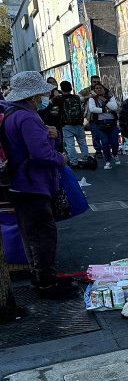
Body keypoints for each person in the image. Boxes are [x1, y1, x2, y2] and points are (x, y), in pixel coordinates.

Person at [0, 72, 78, 299]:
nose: (44, 96)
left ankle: (39, 278)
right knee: (43, 234)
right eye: (41, 93)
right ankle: (46, 283)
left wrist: (47, 134)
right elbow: (40, 153)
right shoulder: (27, 118)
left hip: (17, 183)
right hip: (32, 183)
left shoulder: (11, 114)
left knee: (30, 234)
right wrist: (60, 157)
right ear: (34, 95)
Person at [55, 81, 88, 168]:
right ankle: (86, 159)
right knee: (82, 142)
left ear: (61, 89)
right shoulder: (76, 97)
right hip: (79, 123)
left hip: (66, 124)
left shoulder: (59, 98)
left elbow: (49, 104)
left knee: (70, 144)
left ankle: (74, 162)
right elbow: (84, 100)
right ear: (71, 88)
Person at [87, 82, 120, 169]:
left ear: (104, 89)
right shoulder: (92, 99)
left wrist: (104, 100)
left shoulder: (110, 97)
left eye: (100, 88)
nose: (99, 89)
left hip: (112, 123)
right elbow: (93, 109)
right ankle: (108, 161)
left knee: (114, 142)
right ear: (94, 90)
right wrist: (105, 110)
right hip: (100, 124)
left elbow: (114, 107)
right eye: (96, 88)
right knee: (105, 143)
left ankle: (115, 154)